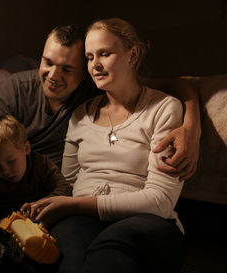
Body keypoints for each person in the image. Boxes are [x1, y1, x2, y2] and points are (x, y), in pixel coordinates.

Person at [23, 18, 187, 273]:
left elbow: (160, 201)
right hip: (82, 219)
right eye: (89, 57)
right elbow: (67, 185)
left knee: (110, 251)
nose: (94, 65)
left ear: (132, 55)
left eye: (104, 54)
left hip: (148, 223)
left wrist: (75, 204)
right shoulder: (79, 115)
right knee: (68, 252)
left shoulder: (163, 109)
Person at [0, 24, 201, 197]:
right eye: (48, 63)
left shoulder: (93, 94)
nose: (53, 76)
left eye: (67, 69)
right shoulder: (15, 89)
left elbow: (178, 84)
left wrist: (191, 129)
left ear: (84, 73)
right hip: (4, 185)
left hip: (46, 190)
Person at [0, 115, 71, 253]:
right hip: (7, 229)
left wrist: (41, 204)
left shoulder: (41, 164)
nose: (4, 171)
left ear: (26, 148)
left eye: (10, 161)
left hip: (41, 223)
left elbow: (63, 187)